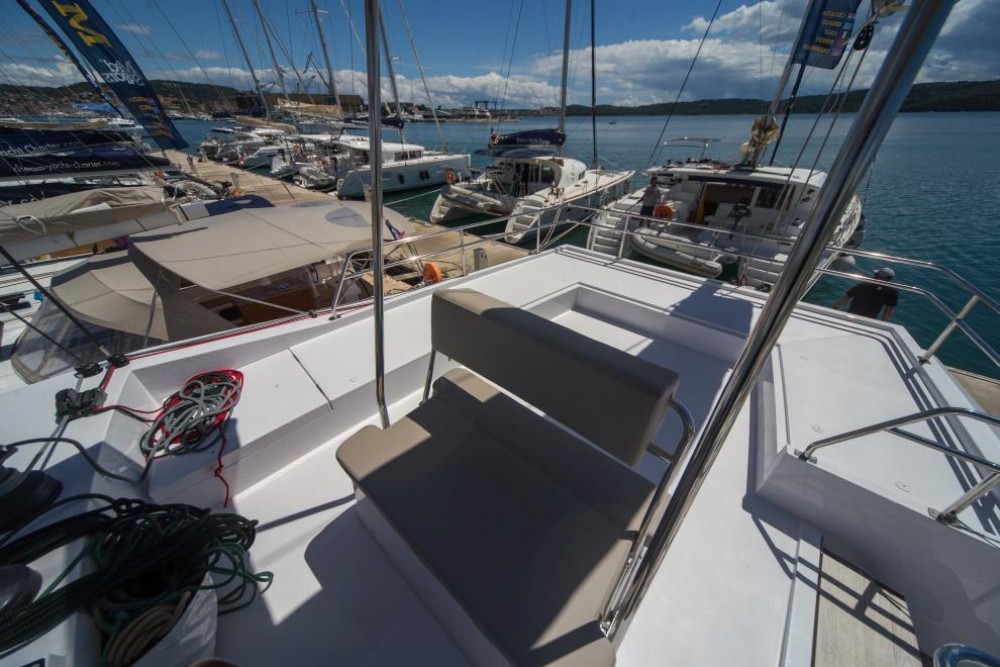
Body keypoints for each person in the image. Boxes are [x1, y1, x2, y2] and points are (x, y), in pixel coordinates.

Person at [834, 267, 898, 320]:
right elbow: (889, 309)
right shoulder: (892, 291)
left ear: (880, 277)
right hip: (869, 320)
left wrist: (835, 309)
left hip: (851, 316)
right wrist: (884, 322)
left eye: (876, 275)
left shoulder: (864, 285)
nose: (874, 276)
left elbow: (846, 297)